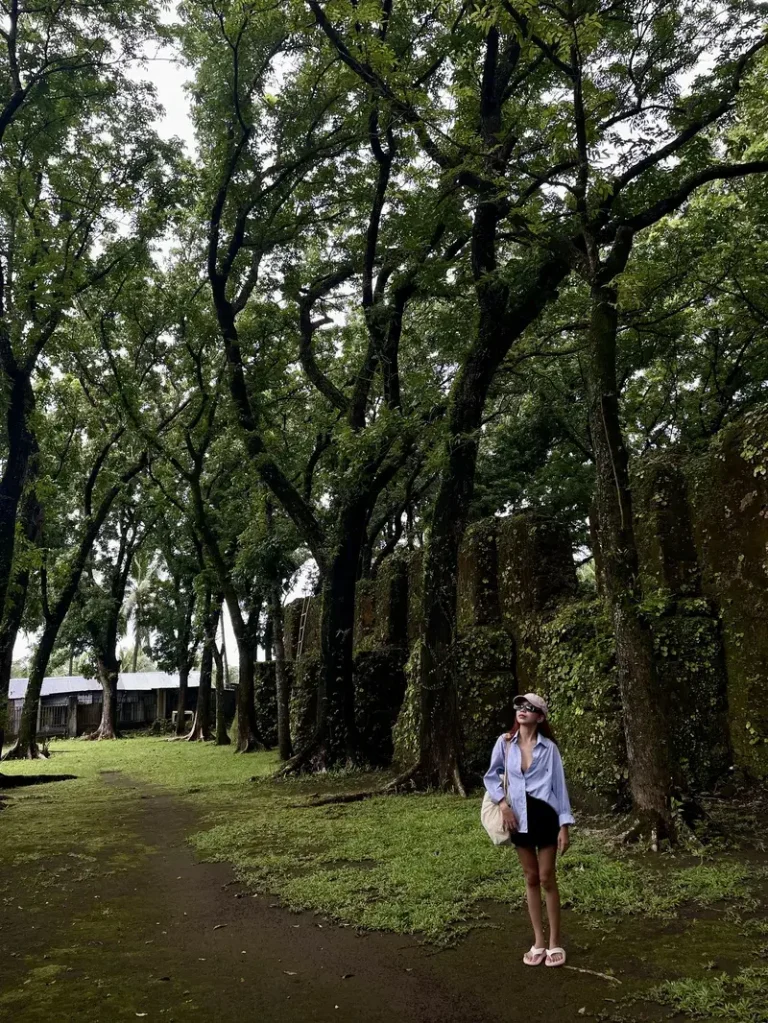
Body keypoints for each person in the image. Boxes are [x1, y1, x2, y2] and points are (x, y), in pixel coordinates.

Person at [483, 692, 574, 968]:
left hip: (545, 815)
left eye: (530, 707)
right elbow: (491, 776)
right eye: (519, 706)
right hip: (517, 816)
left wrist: (564, 825)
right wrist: (503, 805)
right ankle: (538, 941)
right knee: (530, 877)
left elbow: (560, 787)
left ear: (540, 716)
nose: (522, 710)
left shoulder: (550, 749)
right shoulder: (504, 743)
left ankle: (555, 941)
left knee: (547, 878)